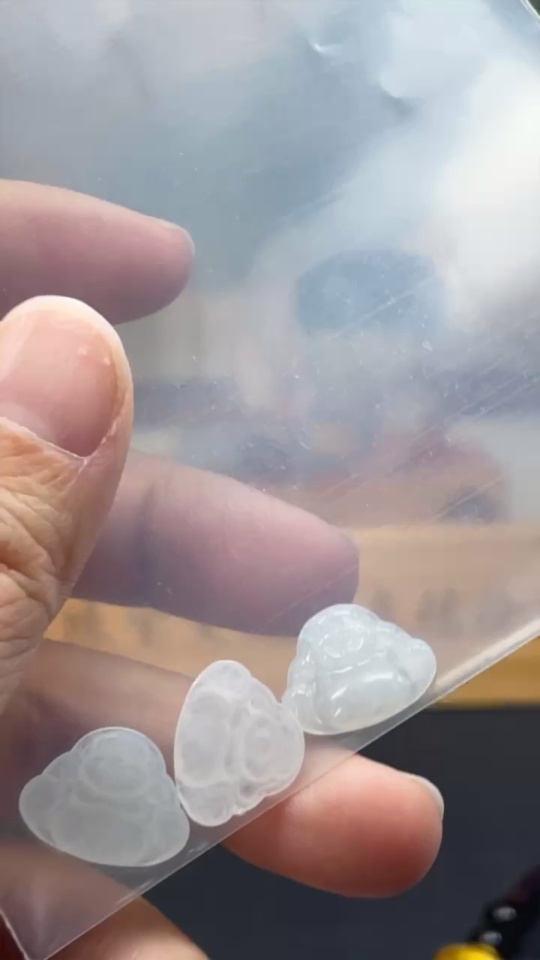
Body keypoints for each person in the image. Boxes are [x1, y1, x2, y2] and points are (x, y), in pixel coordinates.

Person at [0, 179, 443, 960]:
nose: (364, 353)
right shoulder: (248, 450)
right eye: (341, 330)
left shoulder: (448, 466)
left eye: (385, 330)